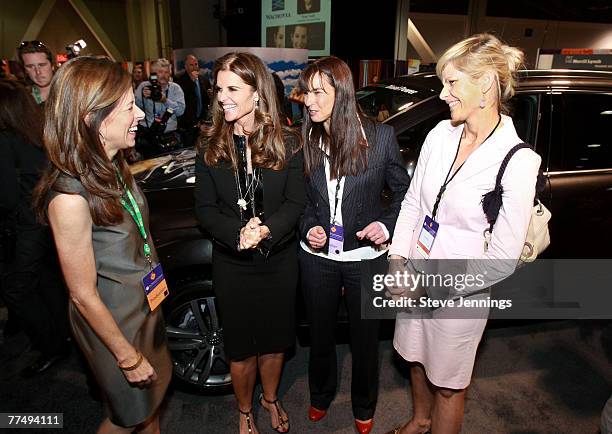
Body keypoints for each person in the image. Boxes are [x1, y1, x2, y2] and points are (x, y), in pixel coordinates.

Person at [385, 34, 541, 434]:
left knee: (450, 385)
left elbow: (503, 258)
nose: (442, 94)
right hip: (414, 274)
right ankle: (420, 421)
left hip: (459, 295)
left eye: (452, 83)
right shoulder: (439, 135)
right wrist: (398, 261)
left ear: (486, 84)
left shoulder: (518, 160)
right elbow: (414, 205)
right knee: (415, 359)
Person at [33, 56, 171, 433]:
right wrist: (126, 357)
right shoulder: (69, 199)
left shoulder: (112, 165)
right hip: (114, 323)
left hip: (142, 306)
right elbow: (82, 295)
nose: (140, 114)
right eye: (129, 106)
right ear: (91, 117)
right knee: (128, 417)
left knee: (152, 404)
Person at [194, 52, 305, 434]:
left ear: (257, 93)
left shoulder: (288, 141)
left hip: (278, 260)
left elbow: (295, 202)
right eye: (219, 88)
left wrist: (267, 229)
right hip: (232, 263)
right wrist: (236, 233)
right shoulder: (210, 143)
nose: (222, 96)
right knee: (240, 347)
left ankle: (270, 399)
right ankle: (244, 411)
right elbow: (205, 210)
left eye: (232, 89)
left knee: (274, 343)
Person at [298, 56, 409, 434]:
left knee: (365, 340)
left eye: (318, 92)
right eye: (306, 92)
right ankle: (320, 395)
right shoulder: (308, 137)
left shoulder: (380, 139)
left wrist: (386, 224)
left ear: (341, 93)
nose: (308, 101)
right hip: (317, 259)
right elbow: (301, 200)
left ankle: (364, 404)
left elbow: (403, 194)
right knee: (320, 334)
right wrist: (309, 226)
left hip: (365, 258)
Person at [0, 79, 70, 376]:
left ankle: (51, 344)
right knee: (47, 281)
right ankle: (63, 335)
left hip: (26, 224)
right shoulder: (37, 133)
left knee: (17, 289)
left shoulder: (6, 139)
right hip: (45, 218)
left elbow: (5, 197)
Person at [135, 58, 185, 153]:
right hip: (148, 135)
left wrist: (165, 100)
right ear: (153, 74)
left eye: (166, 72)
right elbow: (135, 109)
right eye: (160, 72)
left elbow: (181, 111)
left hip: (169, 136)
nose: (163, 75)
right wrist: (143, 97)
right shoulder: (144, 86)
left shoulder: (175, 88)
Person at [175, 54, 211, 147]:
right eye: (191, 65)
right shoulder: (179, 81)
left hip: (202, 125)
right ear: (186, 66)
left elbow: (206, 102)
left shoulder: (204, 80)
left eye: (196, 64)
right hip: (187, 127)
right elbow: (184, 101)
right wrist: (191, 81)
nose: (194, 67)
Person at [16, 40, 54, 104]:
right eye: (30, 66)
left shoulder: (71, 92)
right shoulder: (21, 100)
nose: (38, 72)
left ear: (52, 65)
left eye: (42, 65)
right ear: (25, 70)